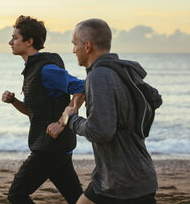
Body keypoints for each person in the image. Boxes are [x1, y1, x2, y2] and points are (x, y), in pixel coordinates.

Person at [47, 18, 158, 204]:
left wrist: (70, 119)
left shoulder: (99, 75)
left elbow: (100, 131)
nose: (73, 50)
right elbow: (154, 98)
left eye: (75, 44)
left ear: (87, 46)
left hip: (124, 182)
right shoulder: (124, 70)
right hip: (110, 177)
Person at [2, 15, 84, 204]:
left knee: (17, 194)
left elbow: (80, 88)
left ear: (29, 41)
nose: (10, 42)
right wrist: (14, 101)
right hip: (57, 148)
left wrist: (61, 123)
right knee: (78, 200)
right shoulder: (32, 69)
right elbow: (34, 111)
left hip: (49, 148)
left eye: (15, 38)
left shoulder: (47, 69)